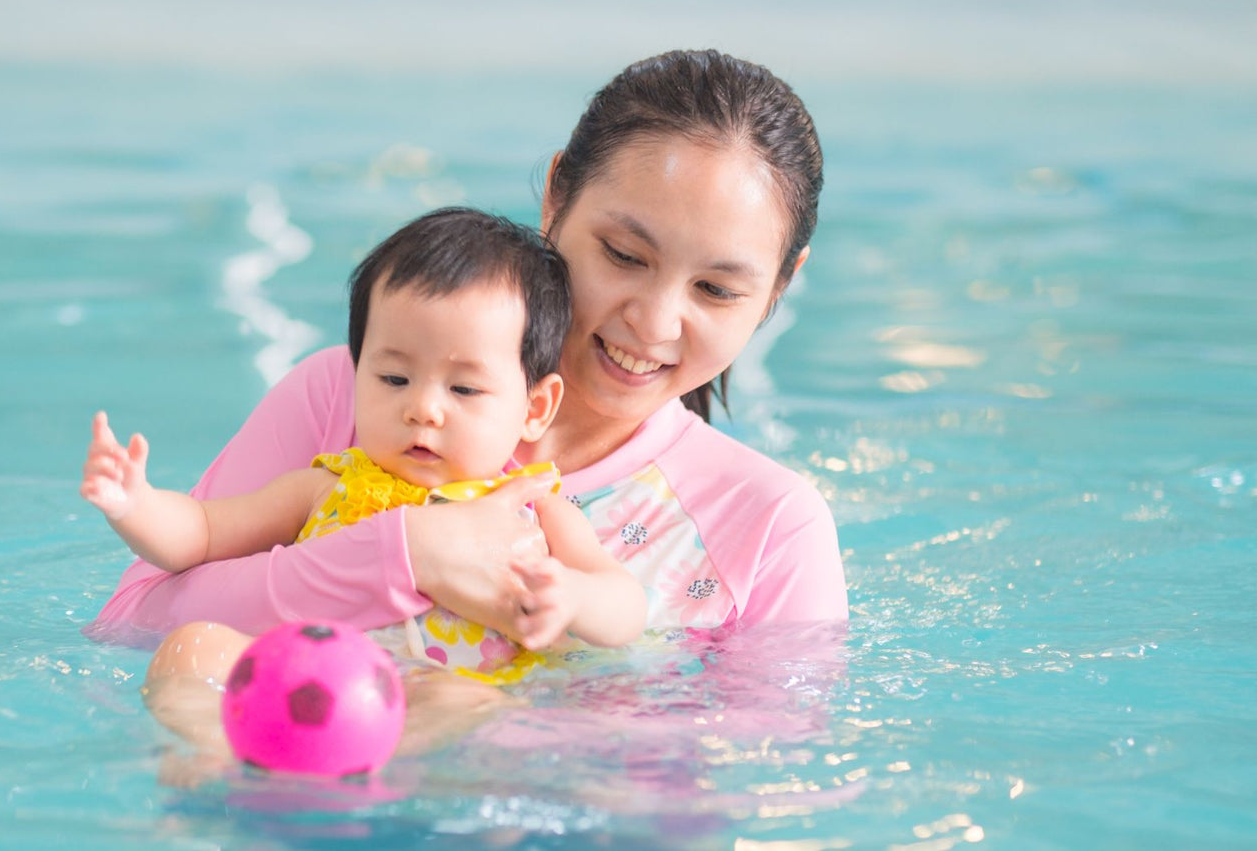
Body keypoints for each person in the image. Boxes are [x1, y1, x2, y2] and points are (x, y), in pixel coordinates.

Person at [88, 49, 847, 669]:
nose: (652, 322)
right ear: (556, 197)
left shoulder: (772, 527)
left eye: (715, 289)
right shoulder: (354, 392)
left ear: (782, 286)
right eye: (622, 254)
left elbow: (769, 770)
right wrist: (404, 557)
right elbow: (132, 626)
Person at [83, 208, 646, 682]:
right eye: (394, 379)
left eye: (465, 388)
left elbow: (626, 607)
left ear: (534, 408)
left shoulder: (535, 511)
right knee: (192, 651)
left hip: (437, 694)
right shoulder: (325, 485)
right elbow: (201, 534)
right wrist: (135, 504)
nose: (422, 408)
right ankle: (203, 785)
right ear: (356, 375)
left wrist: (570, 595)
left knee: (457, 699)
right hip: (311, 681)